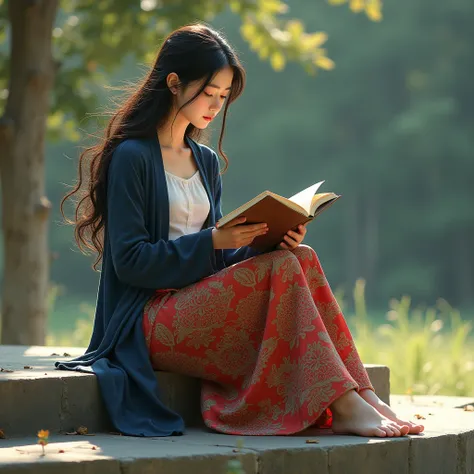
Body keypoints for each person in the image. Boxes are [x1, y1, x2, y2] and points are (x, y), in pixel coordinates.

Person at [57, 22, 424, 438]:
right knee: (285, 268)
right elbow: (130, 262)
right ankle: (343, 405)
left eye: (224, 96)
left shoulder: (206, 160)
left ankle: (362, 394)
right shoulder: (132, 157)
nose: (216, 105)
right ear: (174, 83)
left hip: (197, 305)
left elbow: (215, 261)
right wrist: (213, 239)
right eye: (208, 93)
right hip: (146, 321)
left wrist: (261, 243)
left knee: (298, 257)